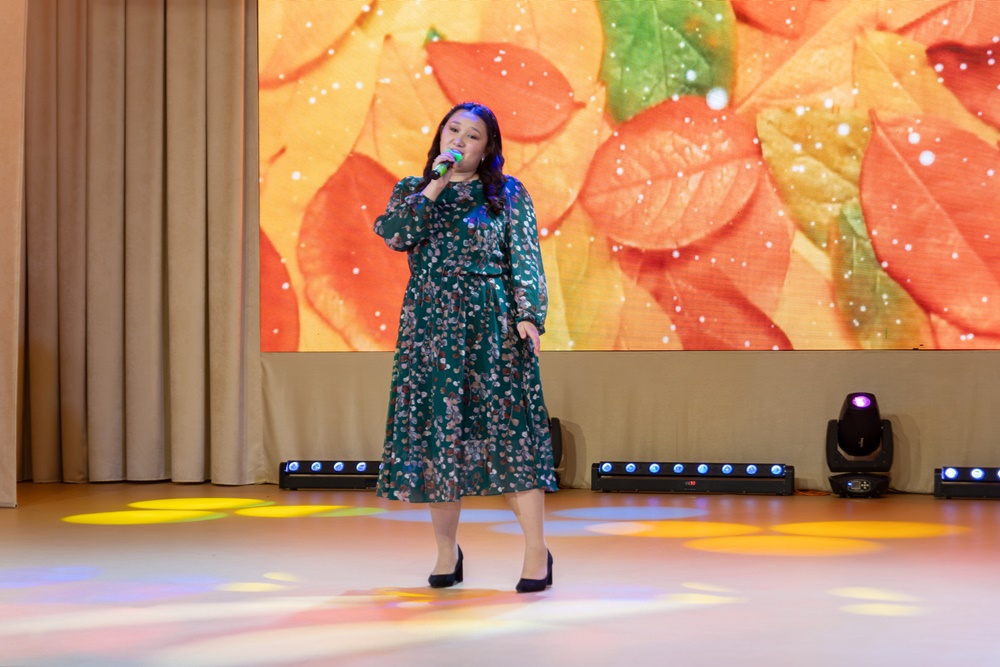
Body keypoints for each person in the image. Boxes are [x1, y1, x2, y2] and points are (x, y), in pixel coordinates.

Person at [373, 102, 557, 593]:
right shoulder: (412, 190)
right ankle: (446, 552)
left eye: (472, 135)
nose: (459, 140)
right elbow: (396, 235)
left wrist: (529, 315)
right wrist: (434, 184)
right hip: (430, 328)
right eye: (453, 130)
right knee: (441, 438)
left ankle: (536, 552)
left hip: (490, 324)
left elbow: (525, 258)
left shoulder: (507, 193)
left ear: (487, 148)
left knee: (510, 437)